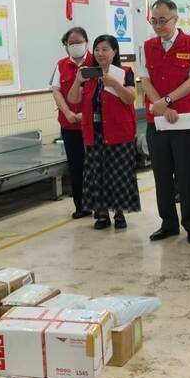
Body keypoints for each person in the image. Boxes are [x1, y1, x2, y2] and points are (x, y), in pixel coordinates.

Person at [141, 0, 190, 244]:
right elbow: (145, 80)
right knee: (161, 174)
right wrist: (159, 105)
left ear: (175, 19)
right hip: (157, 120)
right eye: (154, 20)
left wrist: (167, 100)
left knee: (188, 173)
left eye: (163, 20)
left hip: (184, 119)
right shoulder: (147, 46)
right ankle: (168, 223)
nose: (158, 25)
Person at [67, 34, 140, 229]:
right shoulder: (89, 74)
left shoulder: (124, 72)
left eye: (105, 49)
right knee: (96, 173)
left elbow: (130, 98)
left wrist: (114, 83)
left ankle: (119, 213)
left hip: (118, 131)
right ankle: (101, 214)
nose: (100, 54)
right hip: (95, 132)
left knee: (118, 173)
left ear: (114, 51)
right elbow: (73, 99)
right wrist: (77, 81)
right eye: (97, 49)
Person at [51, 27, 94, 219]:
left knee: (95, 165)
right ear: (66, 46)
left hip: (93, 124)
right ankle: (81, 205)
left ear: (86, 42)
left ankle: (100, 206)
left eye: (79, 42)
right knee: (76, 166)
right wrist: (67, 112)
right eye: (71, 43)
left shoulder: (96, 61)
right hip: (70, 125)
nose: (75, 46)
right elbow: (56, 90)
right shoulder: (61, 65)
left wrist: (86, 116)